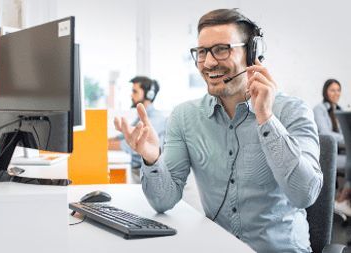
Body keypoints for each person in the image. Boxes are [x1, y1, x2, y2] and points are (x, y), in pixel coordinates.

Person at [114, 9, 322, 252]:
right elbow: (164, 200)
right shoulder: (184, 117)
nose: (209, 62)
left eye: (222, 49)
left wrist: (266, 118)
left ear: (252, 53)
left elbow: (305, 195)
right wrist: (152, 158)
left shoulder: (292, 111)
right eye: (202, 52)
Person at [108, 76, 166, 183]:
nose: (131, 95)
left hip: (152, 176)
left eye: (135, 91)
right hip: (138, 172)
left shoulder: (155, 119)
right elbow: (123, 136)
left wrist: (99, 145)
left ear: (149, 95)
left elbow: (129, 144)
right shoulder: (141, 117)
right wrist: (104, 141)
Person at [313, 79, 350, 215]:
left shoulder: (339, 109)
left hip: (338, 152)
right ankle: (341, 200)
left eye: (338, 90)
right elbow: (325, 134)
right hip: (325, 155)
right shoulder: (319, 109)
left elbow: (342, 133)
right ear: (326, 92)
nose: (336, 93)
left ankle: (342, 196)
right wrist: (347, 137)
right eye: (332, 90)